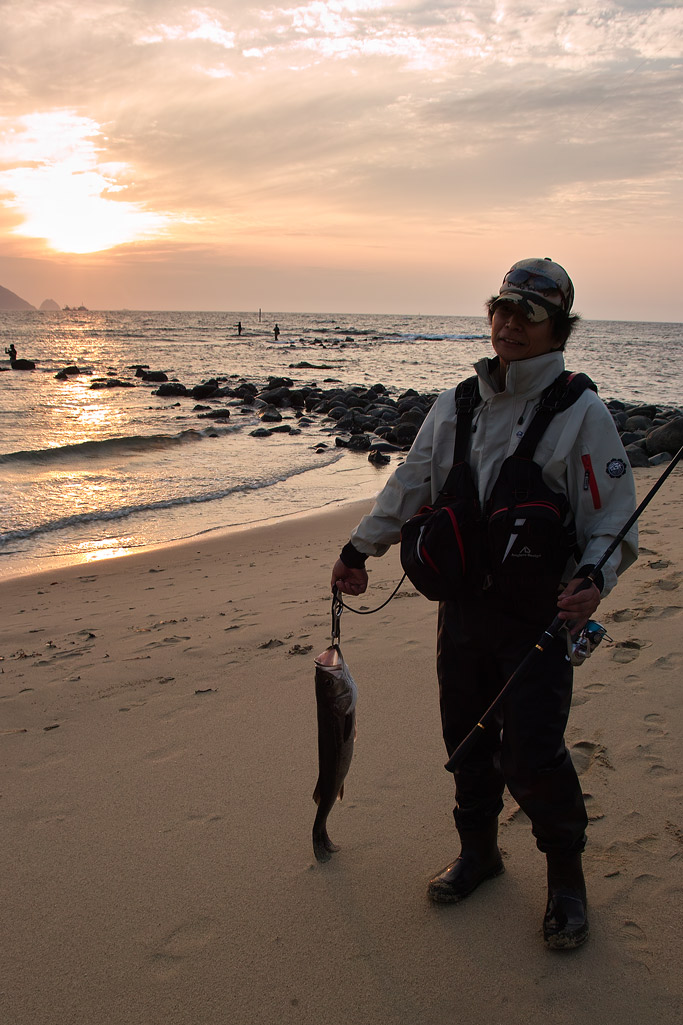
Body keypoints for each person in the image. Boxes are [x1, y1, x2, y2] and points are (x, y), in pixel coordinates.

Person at [330, 258, 637, 951]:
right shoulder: (455, 403)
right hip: (462, 613)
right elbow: (408, 485)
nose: (506, 324)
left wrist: (594, 577)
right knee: (465, 741)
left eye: (525, 315)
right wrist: (358, 550)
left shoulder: (581, 412)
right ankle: (480, 853)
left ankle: (565, 879)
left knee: (531, 752)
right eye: (500, 310)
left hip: (539, 617)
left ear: (557, 327)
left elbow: (612, 519)